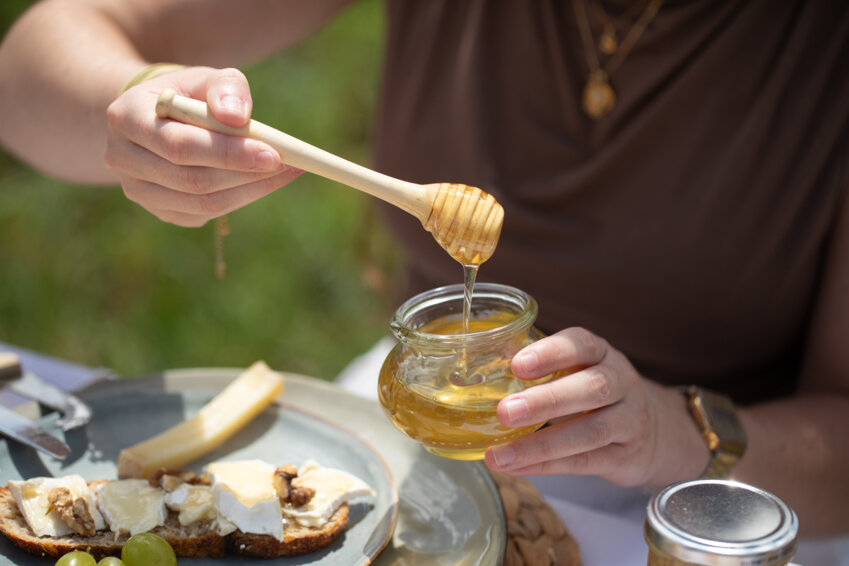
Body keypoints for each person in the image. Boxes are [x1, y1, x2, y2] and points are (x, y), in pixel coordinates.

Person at [1, 0, 848, 544]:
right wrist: (139, 105)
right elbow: (33, 63)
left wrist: (677, 432)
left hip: (737, 503)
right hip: (430, 415)